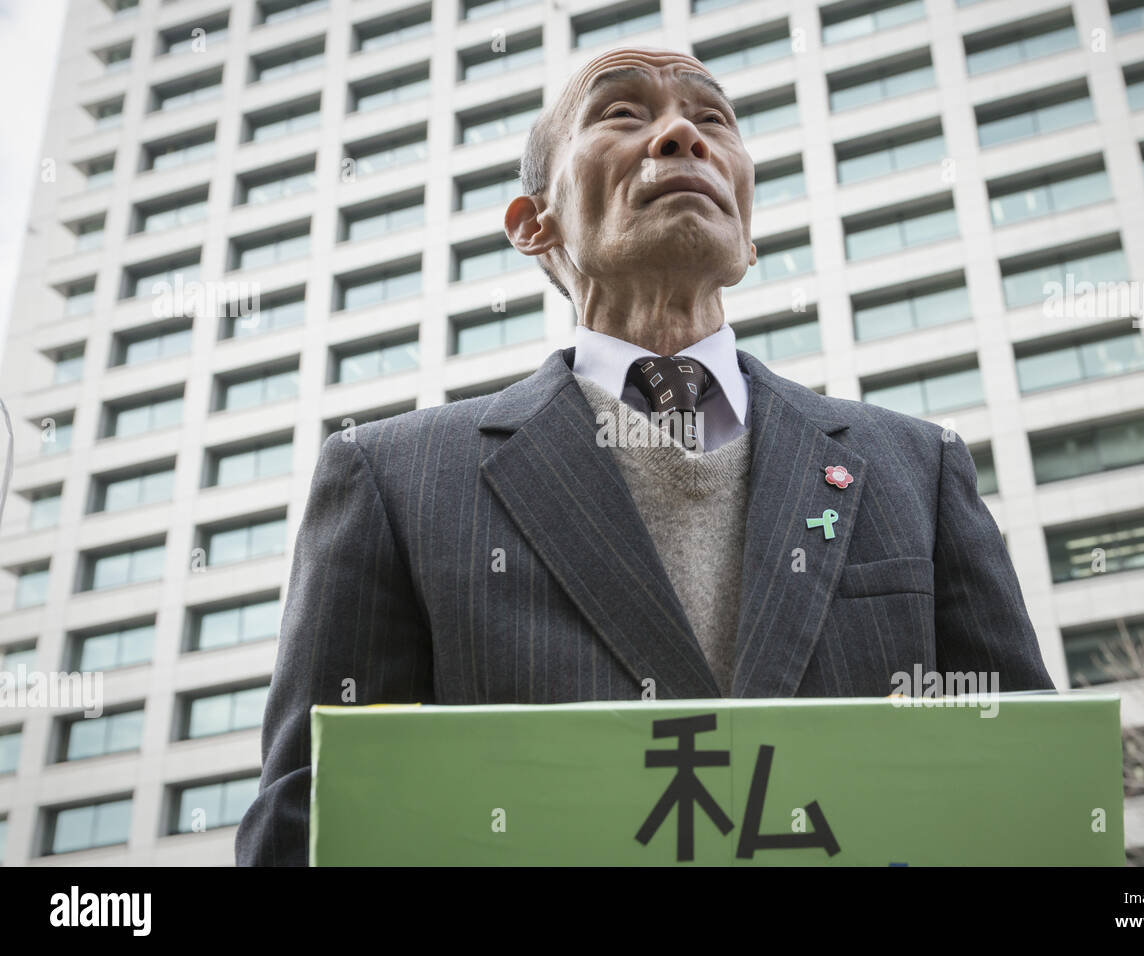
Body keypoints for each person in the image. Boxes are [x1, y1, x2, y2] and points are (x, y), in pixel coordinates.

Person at [235, 47, 1054, 866]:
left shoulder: (917, 466)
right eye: (622, 114)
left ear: (747, 222)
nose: (680, 137)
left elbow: (1027, 791)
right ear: (532, 224)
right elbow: (312, 820)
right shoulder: (390, 480)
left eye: (711, 120)